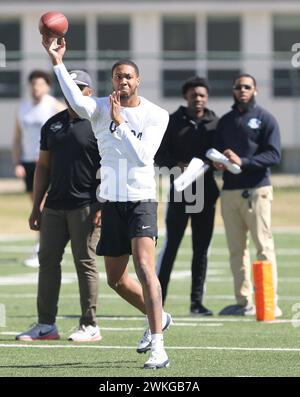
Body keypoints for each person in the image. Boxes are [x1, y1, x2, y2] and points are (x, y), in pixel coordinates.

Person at [42, 36, 172, 369]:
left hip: (141, 200)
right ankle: (160, 315)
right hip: (112, 202)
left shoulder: (157, 115)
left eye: (128, 76)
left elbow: (143, 158)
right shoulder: (99, 108)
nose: (123, 81)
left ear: (138, 80)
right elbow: (74, 98)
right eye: (118, 76)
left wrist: (120, 124)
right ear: (112, 81)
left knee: (145, 268)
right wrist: (57, 61)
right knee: (116, 279)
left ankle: (158, 345)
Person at [16, 70, 102, 342]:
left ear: (89, 92)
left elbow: (110, 167)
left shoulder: (99, 123)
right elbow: (43, 165)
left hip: (86, 205)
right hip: (54, 205)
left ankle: (90, 325)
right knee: (47, 262)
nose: (71, 91)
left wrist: (103, 205)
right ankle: (46, 325)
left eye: (78, 87)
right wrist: (36, 206)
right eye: (68, 86)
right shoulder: (52, 124)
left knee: (84, 263)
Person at [214, 73, 282, 317]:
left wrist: (242, 161)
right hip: (230, 191)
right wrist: (219, 163)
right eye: (238, 87)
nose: (242, 90)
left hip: (257, 190)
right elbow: (220, 154)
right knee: (236, 250)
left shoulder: (266, 119)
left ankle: (269, 302)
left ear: (255, 90)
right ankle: (244, 303)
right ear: (233, 91)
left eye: (247, 86)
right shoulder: (226, 121)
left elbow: (274, 155)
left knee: (263, 247)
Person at [155, 76, 219, 316]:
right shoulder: (172, 122)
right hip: (180, 193)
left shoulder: (215, 123)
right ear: (186, 97)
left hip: (207, 194)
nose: (198, 99)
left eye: (202, 95)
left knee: (201, 250)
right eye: (194, 95)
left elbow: (219, 155)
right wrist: (177, 165)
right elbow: (159, 156)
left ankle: (196, 303)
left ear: (207, 97)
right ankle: (157, 302)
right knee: (171, 247)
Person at [12, 70, 65, 268]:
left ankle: (40, 249)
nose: (36, 88)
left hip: (47, 161)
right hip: (27, 163)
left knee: (40, 205)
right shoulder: (22, 108)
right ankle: (47, 244)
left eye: (40, 84)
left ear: (47, 86)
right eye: (33, 84)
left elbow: (68, 129)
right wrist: (17, 162)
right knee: (36, 204)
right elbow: (17, 138)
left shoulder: (54, 105)